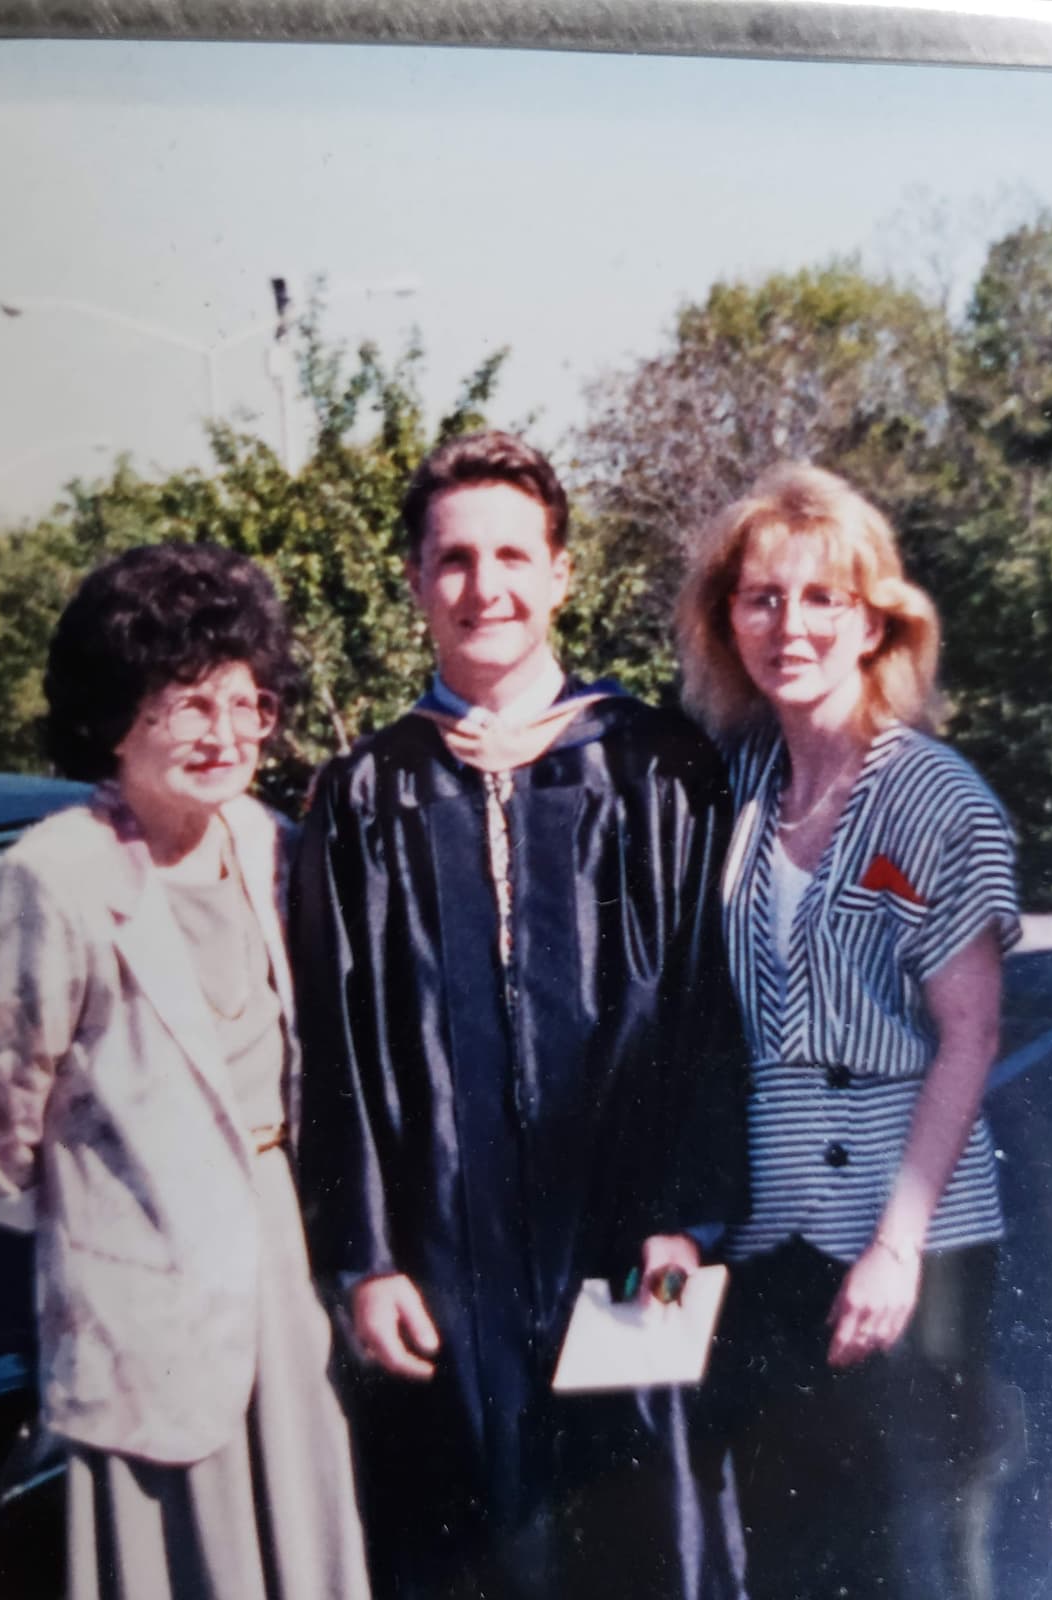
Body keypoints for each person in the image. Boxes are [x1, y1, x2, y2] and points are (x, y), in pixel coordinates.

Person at [291, 431, 750, 1600]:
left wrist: (687, 1218)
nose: (482, 586)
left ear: (560, 574)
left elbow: (704, 1013)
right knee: (471, 1539)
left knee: (642, 1527)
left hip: (633, 1236)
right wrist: (366, 1260)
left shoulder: (658, 767)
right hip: (444, 1258)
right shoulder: (365, 792)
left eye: (511, 555)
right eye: (453, 559)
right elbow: (334, 1055)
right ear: (414, 579)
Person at [0, 542, 370, 1600]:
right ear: (114, 717)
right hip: (144, 1293)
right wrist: (99, 1248)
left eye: (246, 702)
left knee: (306, 1539)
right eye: (188, 705)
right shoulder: (58, 874)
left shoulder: (271, 843)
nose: (225, 734)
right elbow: (1, 1122)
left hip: (286, 1266)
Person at [676, 462, 1021, 1600]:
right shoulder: (732, 788)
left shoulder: (936, 799)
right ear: (727, 619)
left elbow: (970, 1034)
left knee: (921, 1549)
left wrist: (897, 1244)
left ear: (875, 622)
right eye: (763, 597)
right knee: (792, 1551)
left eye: (824, 597)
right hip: (768, 1231)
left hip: (906, 1233)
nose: (792, 626)